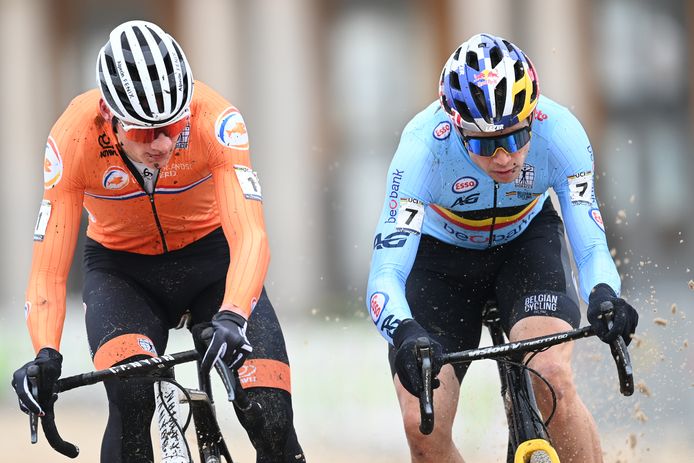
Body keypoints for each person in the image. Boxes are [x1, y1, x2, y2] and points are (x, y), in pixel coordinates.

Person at [11, 20, 305, 463]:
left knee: (273, 415)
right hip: (122, 272)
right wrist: (46, 352)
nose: (163, 143)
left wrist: (233, 314)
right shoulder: (73, 136)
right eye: (145, 132)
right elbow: (49, 266)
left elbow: (251, 234)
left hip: (212, 264)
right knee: (131, 400)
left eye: (174, 125)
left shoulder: (216, 119)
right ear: (110, 117)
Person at [366, 33, 638, 463]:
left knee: (550, 376)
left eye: (515, 137)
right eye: (482, 142)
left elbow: (589, 245)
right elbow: (386, 274)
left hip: (524, 243)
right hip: (440, 262)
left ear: (533, 116)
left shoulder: (561, 132)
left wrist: (604, 294)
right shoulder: (421, 149)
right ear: (455, 126)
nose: (503, 157)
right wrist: (404, 332)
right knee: (422, 423)